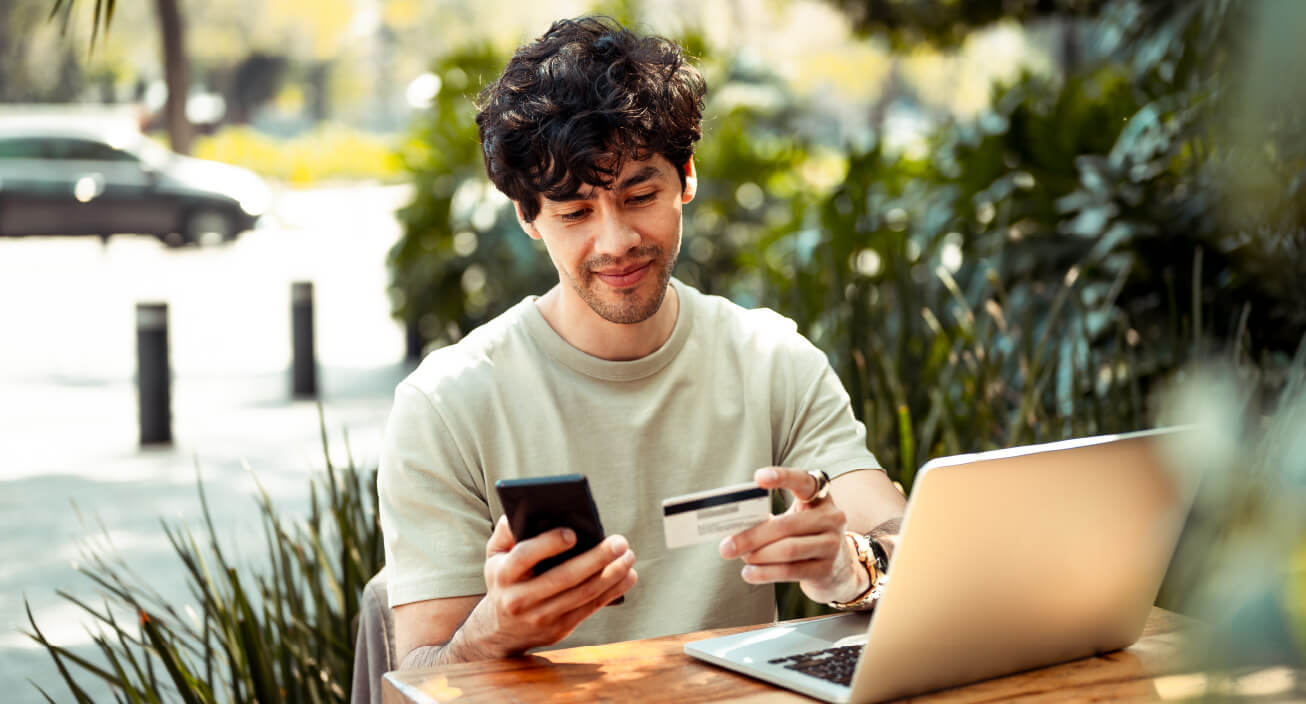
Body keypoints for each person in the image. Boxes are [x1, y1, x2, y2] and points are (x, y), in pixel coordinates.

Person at [378, 15, 907, 670]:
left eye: (640, 194)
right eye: (574, 212)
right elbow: (416, 676)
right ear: (529, 217)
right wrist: (493, 631)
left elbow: (905, 547)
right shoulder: (447, 403)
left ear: (685, 178)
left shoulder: (770, 360)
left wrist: (848, 568)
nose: (615, 241)